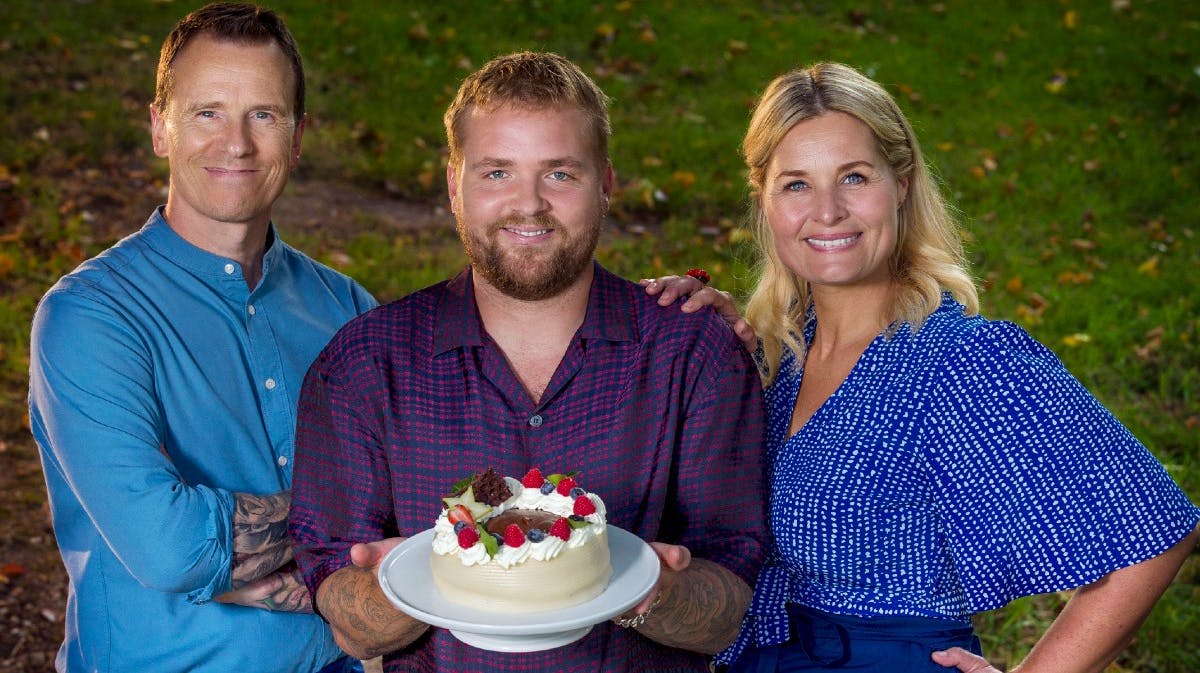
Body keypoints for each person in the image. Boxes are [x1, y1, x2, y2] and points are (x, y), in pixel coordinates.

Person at [645, 61, 1200, 673]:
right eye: (796, 184)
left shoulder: (960, 359)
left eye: (854, 177)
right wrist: (703, 340)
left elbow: (1155, 535)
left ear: (901, 182)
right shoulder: (781, 356)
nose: (826, 211)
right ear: (766, 201)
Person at [287, 51, 769, 672]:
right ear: (454, 183)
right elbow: (347, 617)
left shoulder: (694, 354)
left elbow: (728, 603)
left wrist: (649, 588)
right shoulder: (363, 364)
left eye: (560, 174)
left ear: (606, 184)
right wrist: (431, 576)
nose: (529, 205)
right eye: (497, 173)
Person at [27, 3, 376, 671]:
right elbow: (168, 548)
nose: (237, 143)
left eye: (263, 115)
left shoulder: (347, 309)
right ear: (160, 128)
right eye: (207, 112)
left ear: (298, 137)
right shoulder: (91, 316)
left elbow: (407, 506)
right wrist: (342, 541)